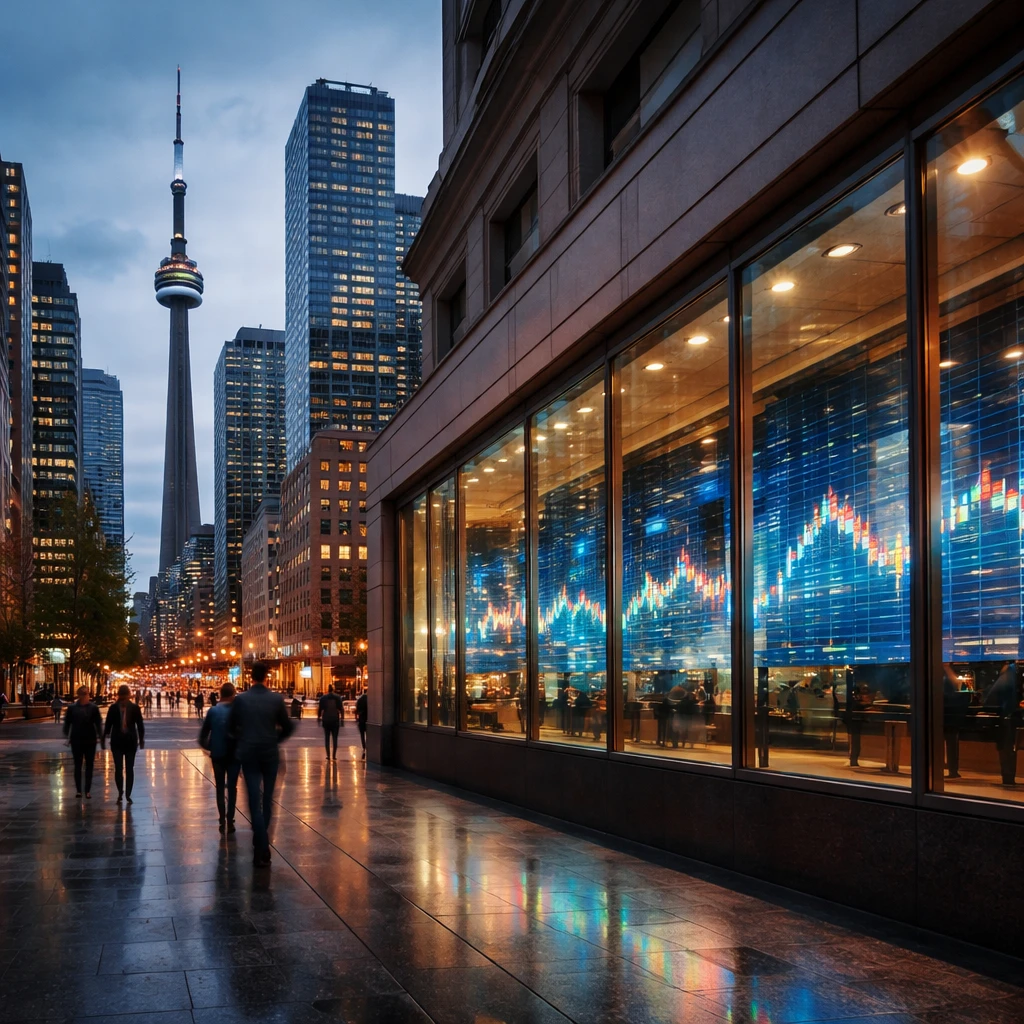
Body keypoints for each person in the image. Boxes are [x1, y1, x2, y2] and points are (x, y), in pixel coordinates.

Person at [229, 662, 294, 867]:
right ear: (267, 676)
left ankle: (262, 845)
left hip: (249, 755)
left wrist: (244, 738)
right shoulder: (276, 699)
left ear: (251, 677)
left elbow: (231, 728)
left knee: (253, 801)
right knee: (268, 800)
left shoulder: (241, 700)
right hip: (269, 754)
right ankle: (261, 842)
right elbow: (288, 726)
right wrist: (275, 739)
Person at [199, 681, 239, 833]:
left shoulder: (213, 711)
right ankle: (230, 819)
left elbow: (203, 735)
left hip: (218, 755)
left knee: (220, 788)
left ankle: (222, 818)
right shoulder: (237, 712)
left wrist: (210, 748)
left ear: (220, 695)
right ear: (233, 694)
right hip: (234, 755)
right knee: (232, 788)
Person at [104, 684, 145, 803]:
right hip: (117, 741)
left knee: (129, 768)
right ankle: (120, 791)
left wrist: (141, 739)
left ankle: (128, 793)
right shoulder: (113, 708)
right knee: (118, 768)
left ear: (128, 696)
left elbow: (140, 725)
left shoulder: (134, 708)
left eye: (125, 697)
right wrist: (104, 735)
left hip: (130, 742)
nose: (123, 700)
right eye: (122, 697)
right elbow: (108, 724)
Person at [63, 686, 104, 798]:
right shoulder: (73, 708)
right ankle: (80, 790)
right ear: (80, 695)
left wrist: (101, 736)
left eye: (86, 694)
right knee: (79, 765)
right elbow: (67, 723)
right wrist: (68, 735)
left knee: (88, 765)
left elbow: (98, 723)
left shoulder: (92, 708)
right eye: (83, 694)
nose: (85, 696)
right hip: (78, 740)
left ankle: (87, 790)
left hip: (89, 740)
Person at [317, 684, 345, 760]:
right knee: (335, 738)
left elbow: (320, 709)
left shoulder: (323, 698)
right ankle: (334, 755)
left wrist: (319, 717)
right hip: (335, 720)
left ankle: (328, 755)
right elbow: (341, 709)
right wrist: (342, 718)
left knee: (327, 737)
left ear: (327, 689)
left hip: (326, 720)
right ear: (333, 689)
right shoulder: (337, 697)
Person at [355, 687, 367, 759]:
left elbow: (357, 710)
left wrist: (356, 717)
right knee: (368, 734)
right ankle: (368, 746)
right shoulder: (370, 699)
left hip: (362, 719)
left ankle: (364, 746)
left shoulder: (360, 699)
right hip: (368, 719)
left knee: (362, 734)